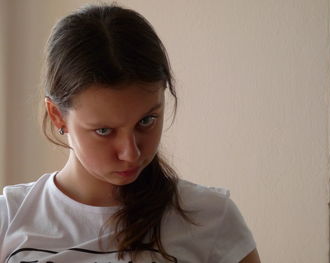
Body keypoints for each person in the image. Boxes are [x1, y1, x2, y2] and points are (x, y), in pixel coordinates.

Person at [0, 4, 260, 263]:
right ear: (57, 115)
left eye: (147, 121)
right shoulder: (9, 218)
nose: (131, 152)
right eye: (104, 131)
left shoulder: (210, 217)